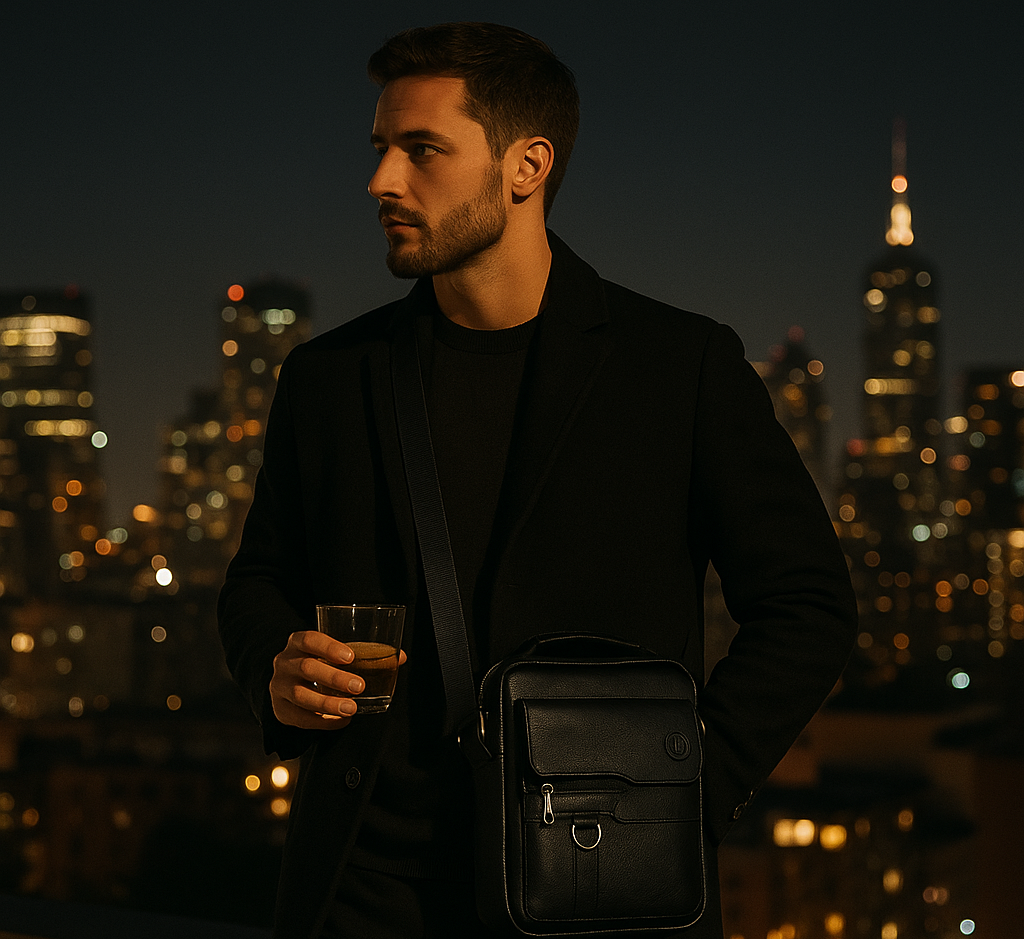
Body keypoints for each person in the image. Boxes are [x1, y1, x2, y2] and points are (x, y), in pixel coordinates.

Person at [218, 21, 857, 939]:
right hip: (366, 889)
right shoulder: (328, 378)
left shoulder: (679, 367)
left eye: (422, 149)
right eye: (380, 149)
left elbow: (809, 604)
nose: (381, 181)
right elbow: (258, 581)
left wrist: (683, 784)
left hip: (595, 882)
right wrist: (273, 667)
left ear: (527, 167)